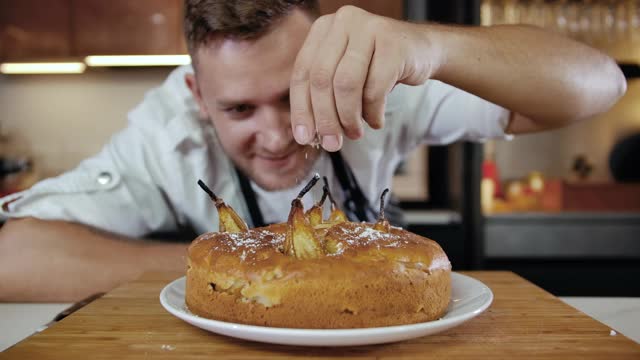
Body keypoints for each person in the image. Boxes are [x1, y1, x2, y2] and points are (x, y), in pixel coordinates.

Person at [0, 0, 625, 302]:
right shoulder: (167, 132)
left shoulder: (378, 79)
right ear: (197, 94)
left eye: (295, 94)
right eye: (239, 110)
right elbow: (14, 257)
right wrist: (248, 269)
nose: (275, 138)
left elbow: (601, 85)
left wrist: (433, 46)